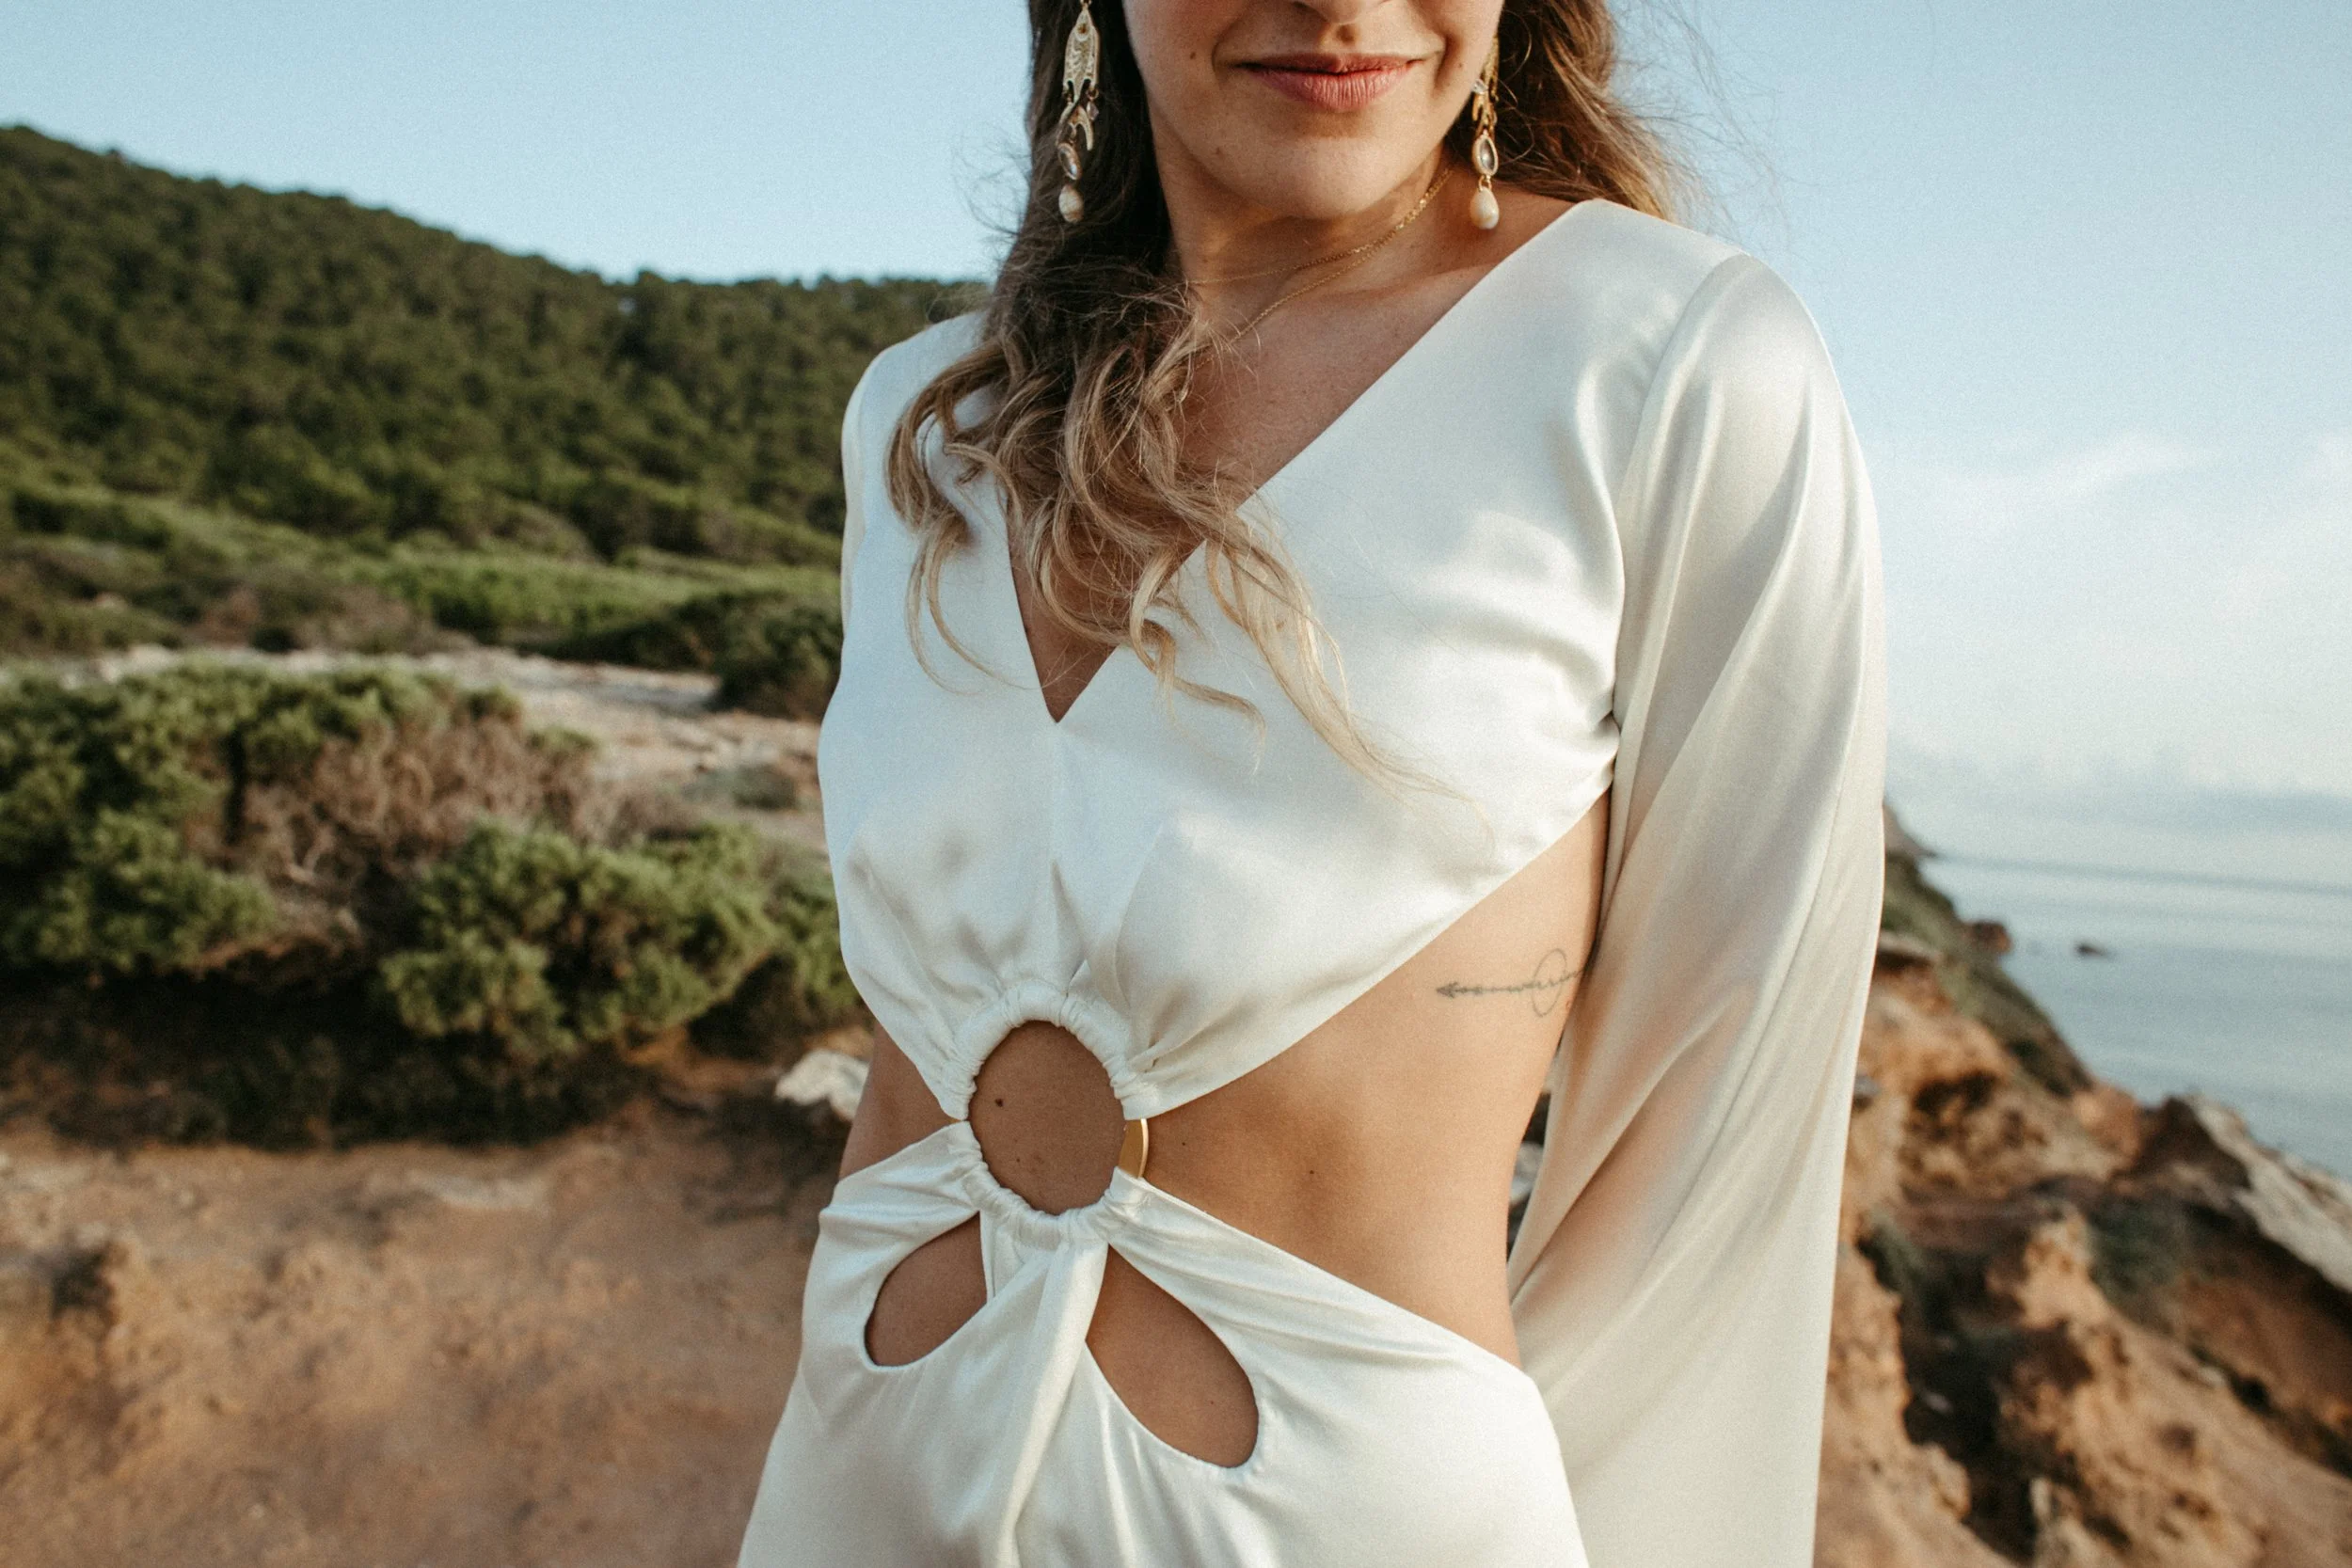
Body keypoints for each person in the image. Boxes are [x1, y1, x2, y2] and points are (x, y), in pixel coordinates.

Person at [737, 0, 1883, 1563]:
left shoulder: (1670, 365)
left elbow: (1717, 1126)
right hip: (859, 1480)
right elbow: (909, 1080)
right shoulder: (928, 424)